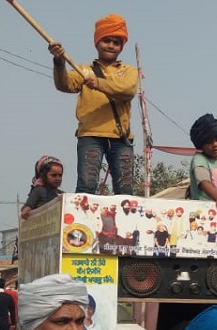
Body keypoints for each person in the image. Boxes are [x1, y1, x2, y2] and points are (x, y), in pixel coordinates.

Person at [49, 14, 137, 196]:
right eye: (106, 40)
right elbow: (64, 85)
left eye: (116, 42)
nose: (111, 45)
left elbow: (128, 90)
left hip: (120, 138)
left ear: (121, 47)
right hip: (90, 135)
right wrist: (59, 62)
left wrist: (98, 84)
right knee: (86, 187)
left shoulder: (128, 71)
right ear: (97, 43)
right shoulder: (83, 70)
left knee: (125, 190)